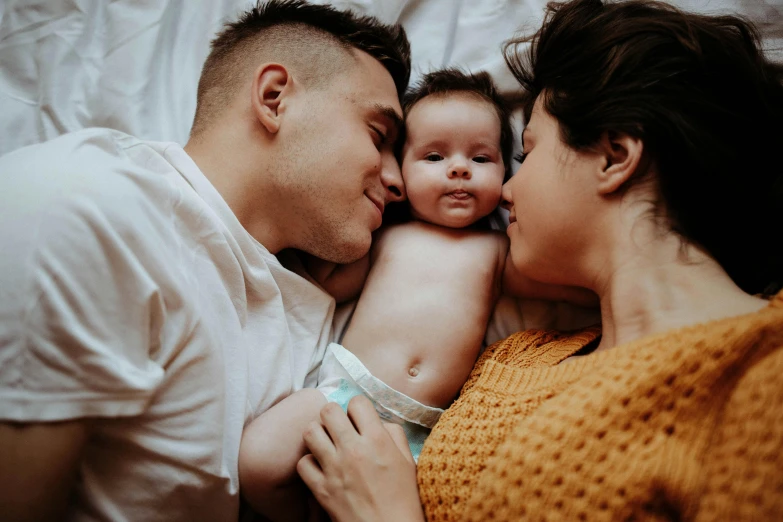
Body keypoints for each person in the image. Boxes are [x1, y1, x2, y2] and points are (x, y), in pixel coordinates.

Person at [292, 0, 783, 521]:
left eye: (525, 155)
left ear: (615, 158)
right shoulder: (515, 358)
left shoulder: (762, 373)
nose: (506, 190)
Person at [0, 1, 411, 520]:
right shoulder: (90, 211)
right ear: (274, 98)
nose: (399, 181)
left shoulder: (299, 299)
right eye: (379, 136)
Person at [238, 68, 595, 522]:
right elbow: (325, 288)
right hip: (347, 390)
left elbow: (570, 286)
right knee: (259, 459)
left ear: (506, 174)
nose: (460, 168)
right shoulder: (385, 234)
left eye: (482, 159)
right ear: (400, 171)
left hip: (429, 428)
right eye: (434, 156)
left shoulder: (499, 253)